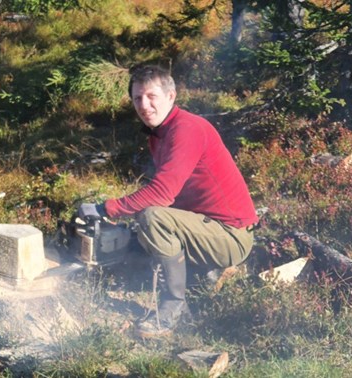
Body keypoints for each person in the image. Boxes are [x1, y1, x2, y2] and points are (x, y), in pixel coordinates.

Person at [78, 65, 258, 338]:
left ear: (171, 96)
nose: (144, 105)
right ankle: (197, 275)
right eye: (137, 98)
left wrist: (106, 209)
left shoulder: (186, 129)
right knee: (147, 226)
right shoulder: (162, 132)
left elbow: (162, 193)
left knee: (152, 217)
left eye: (151, 96)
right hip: (207, 225)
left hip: (230, 235)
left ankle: (174, 306)